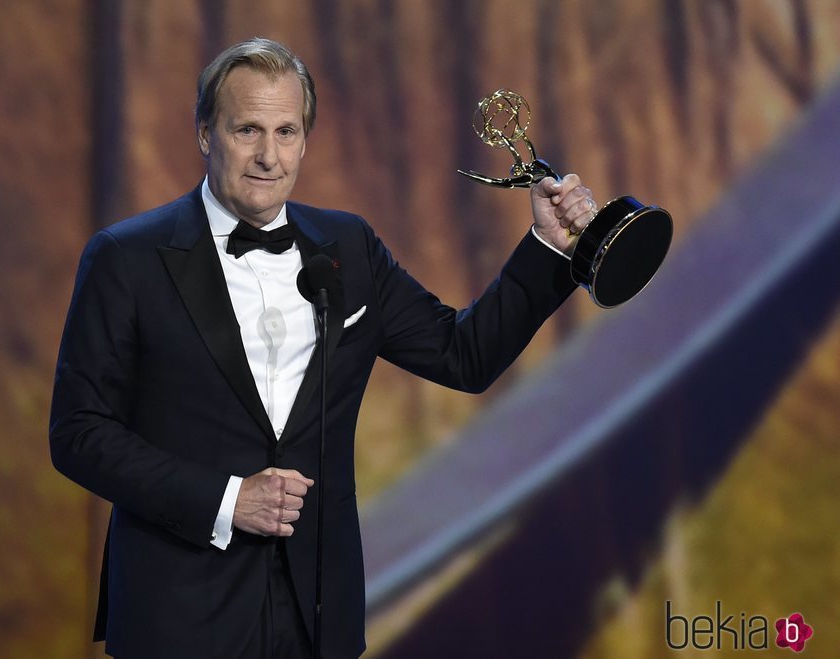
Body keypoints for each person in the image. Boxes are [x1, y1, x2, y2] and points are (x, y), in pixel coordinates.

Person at [50, 37, 597, 659]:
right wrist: (230, 500)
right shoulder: (126, 258)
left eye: (286, 132)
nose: (268, 156)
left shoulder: (349, 246)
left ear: (306, 139)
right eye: (246, 130)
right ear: (205, 134)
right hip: (179, 615)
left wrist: (548, 248)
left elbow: (462, 354)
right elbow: (78, 433)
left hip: (319, 616)